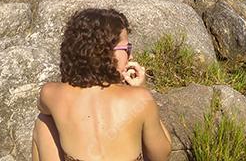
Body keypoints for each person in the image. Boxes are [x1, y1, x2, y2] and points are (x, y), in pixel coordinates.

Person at [32, 8, 173, 161]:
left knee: (44, 121)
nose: (131, 55)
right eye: (127, 48)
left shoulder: (51, 93)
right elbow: (161, 155)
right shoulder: (139, 98)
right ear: (107, 53)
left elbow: (43, 107)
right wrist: (141, 90)